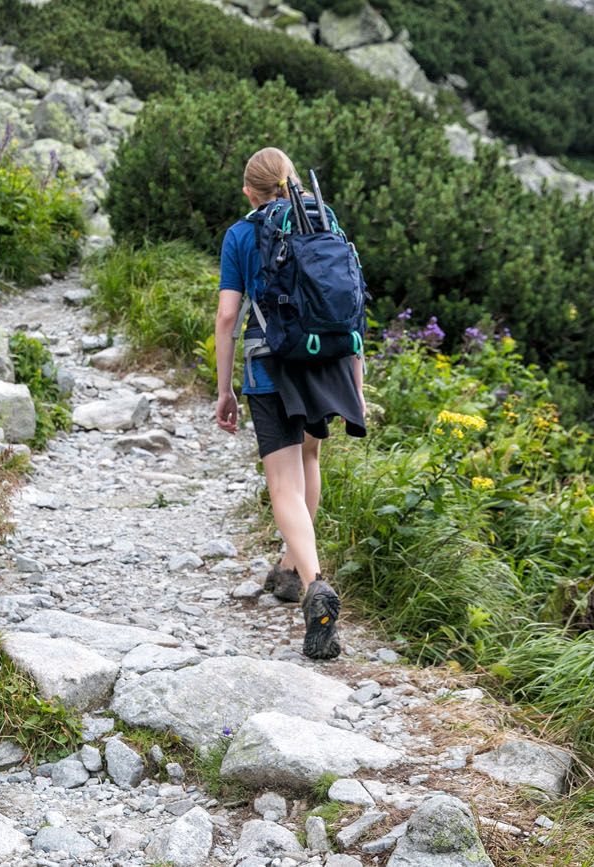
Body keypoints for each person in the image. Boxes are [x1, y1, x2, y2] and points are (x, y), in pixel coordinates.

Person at [214, 147, 367, 660]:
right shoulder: (323, 219)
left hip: (270, 366)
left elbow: (226, 318)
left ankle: (314, 582)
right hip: (327, 362)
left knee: (282, 482)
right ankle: (288, 571)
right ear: (293, 180)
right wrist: (356, 381)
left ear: (248, 192)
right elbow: (351, 304)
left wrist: (224, 389)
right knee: (309, 459)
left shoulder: (241, 234)